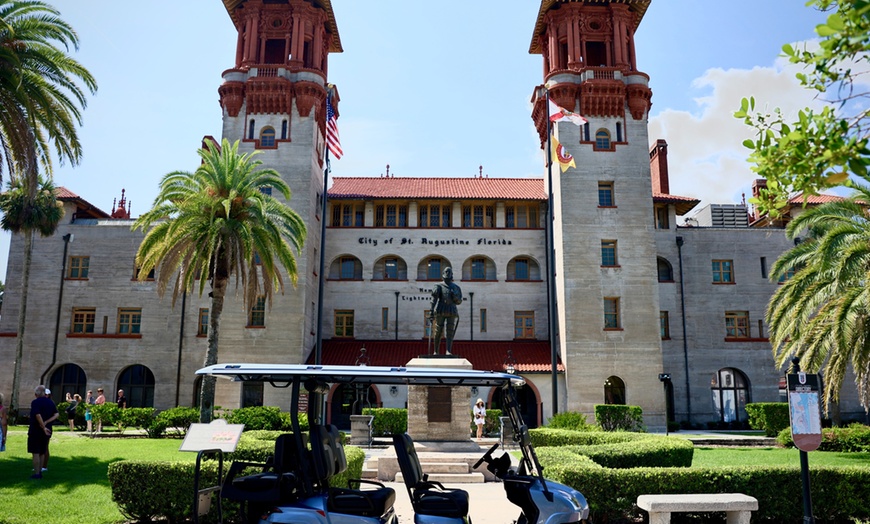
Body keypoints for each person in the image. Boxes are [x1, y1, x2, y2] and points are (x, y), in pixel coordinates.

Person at [429, 266, 463, 355]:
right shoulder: (438, 286)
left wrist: (454, 296)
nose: (447, 274)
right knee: (438, 330)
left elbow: (459, 301)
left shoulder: (456, 287)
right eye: (446, 272)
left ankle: (448, 350)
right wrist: (431, 310)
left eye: (449, 272)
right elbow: (434, 299)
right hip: (441, 309)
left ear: (452, 275)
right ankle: (436, 351)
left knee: (450, 331)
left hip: (451, 310)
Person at [28, 385, 57, 479]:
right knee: (42, 451)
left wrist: (43, 426)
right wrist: (47, 422)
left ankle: (37, 473)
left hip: (36, 430)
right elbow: (56, 414)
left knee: (35, 452)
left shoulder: (35, 402)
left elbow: (37, 415)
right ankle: (40, 471)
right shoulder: (51, 402)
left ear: (36, 394)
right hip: (48, 430)